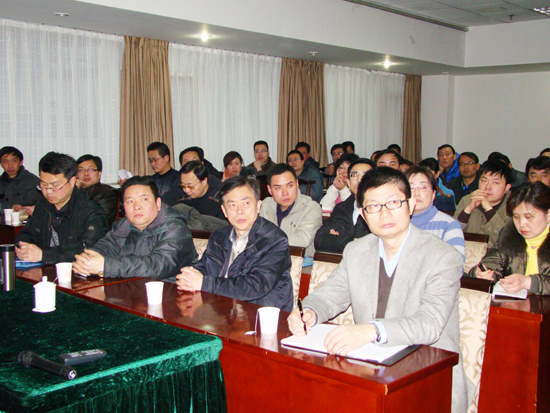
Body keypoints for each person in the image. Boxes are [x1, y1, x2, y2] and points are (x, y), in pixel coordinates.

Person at [288, 166, 471, 413]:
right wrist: (309, 312)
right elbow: (331, 293)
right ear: (364, 215)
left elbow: (429, 325)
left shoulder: (443, 256)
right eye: (373, 206)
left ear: (410, 205)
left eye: (393, 202)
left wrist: (370, 330)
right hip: (371, 371)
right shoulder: (357, 250)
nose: (384, 213)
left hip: (430, 379)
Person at [176, 176, 293, 311]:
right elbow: (203, 267)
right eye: (232, 205)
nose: (239, 211)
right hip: (221, 313)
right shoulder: (218, 237)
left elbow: (256, 286)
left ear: (258, 206)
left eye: (246, 203)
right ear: (224, 211)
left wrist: (205, 284)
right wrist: (189, 276)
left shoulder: (275, 240)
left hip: (261, 316)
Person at [72, 176, 197, 280]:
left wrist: (106, 266)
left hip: (171, 294)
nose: (137, 206)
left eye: (144, 199)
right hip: (131, 292)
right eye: (130, 201)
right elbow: (104, 248)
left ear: (158, 203)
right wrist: (87, 261)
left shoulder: (176, 228)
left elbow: (156, 266)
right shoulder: (123, 226)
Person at [14, 152, 109, 264]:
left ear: (72, 181)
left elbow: (89, 249)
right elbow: (26, 233)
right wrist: (23, 246)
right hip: (45, 269)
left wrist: (43, 255)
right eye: (43, 185)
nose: (48, 191)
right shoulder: (43, 205)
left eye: (55, 186)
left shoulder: (91, 211)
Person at [469, 182, 550, 295]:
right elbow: (491, 264)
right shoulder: (509, 237)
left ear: (548, 215)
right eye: (516, 217)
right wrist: (479, 273)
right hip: (514, 304)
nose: (521, 224)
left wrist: (529, 282)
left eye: (528, 217)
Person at [260, 163, 322, 257]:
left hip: (301, 261)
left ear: (297, 184)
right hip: (269, 260)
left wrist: (268, 242)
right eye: (278, 188)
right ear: (270, 190)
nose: (285, 193)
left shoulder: (311, 208)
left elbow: (302, 240)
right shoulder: (265, 205)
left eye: (289, 186)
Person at [314, 158, 373, 253]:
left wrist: (338, 239)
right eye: (355, 175)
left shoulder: (380, 209)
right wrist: (354, 240)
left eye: (365, 175)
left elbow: (372, 246)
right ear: (348, 183)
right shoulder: (341, 208)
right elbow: (320, 240)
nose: (360, 179)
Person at [405, 166, 465, 259]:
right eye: (411, 187)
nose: (416, 193)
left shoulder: (448, 225)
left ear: (433, 195)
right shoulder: (394, 223)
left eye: (423, 187)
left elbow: (456, 263)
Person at [455, 160, 512, 248]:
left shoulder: (514, 206)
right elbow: (452, 233)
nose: (488, 187)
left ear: (507, 188)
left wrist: (489, 210)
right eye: (484, 181)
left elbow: (507, 242)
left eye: (495, 182)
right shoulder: (467, 200)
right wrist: (468, 210)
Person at [76, 154, 118, 225]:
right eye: (81, 170)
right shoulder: (73, 192)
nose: (86, 173)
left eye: (91, 169)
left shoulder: (107, 195)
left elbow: (98, 222)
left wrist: (77, 194)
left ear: (99, 174)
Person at [0, 146, 41, 211]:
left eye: (14, 161)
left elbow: (35, 206)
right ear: (1, 164)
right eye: (6, 161)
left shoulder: (32, 181)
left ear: (21, 162)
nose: (10, 166)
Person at [146, 142, 183, 207]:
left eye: (155, 159)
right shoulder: (151, 179)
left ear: (166, 158)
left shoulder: (178, 178)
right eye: (151, 161)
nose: (152, 164)